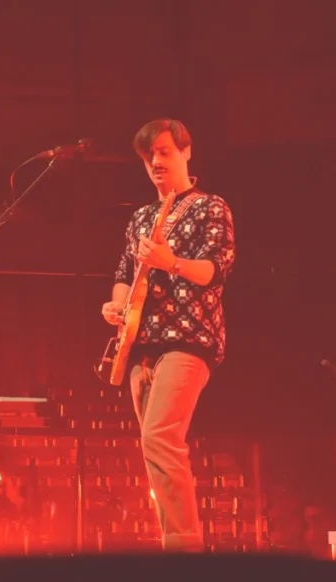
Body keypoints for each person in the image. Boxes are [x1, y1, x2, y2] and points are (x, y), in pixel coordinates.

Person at [102, 119, 236, 552]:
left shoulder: (209, 206)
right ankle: (172, 543)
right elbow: (124, 273)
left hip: (188, 339)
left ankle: (185, 549)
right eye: (148, 157)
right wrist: (117, 305)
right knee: (153, 449)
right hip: (142, 344)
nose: (156, 163)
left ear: (185, 152)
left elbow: (214, 270)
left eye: (163, 152)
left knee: (160, 437)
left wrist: (171, 261)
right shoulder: (141, 217)